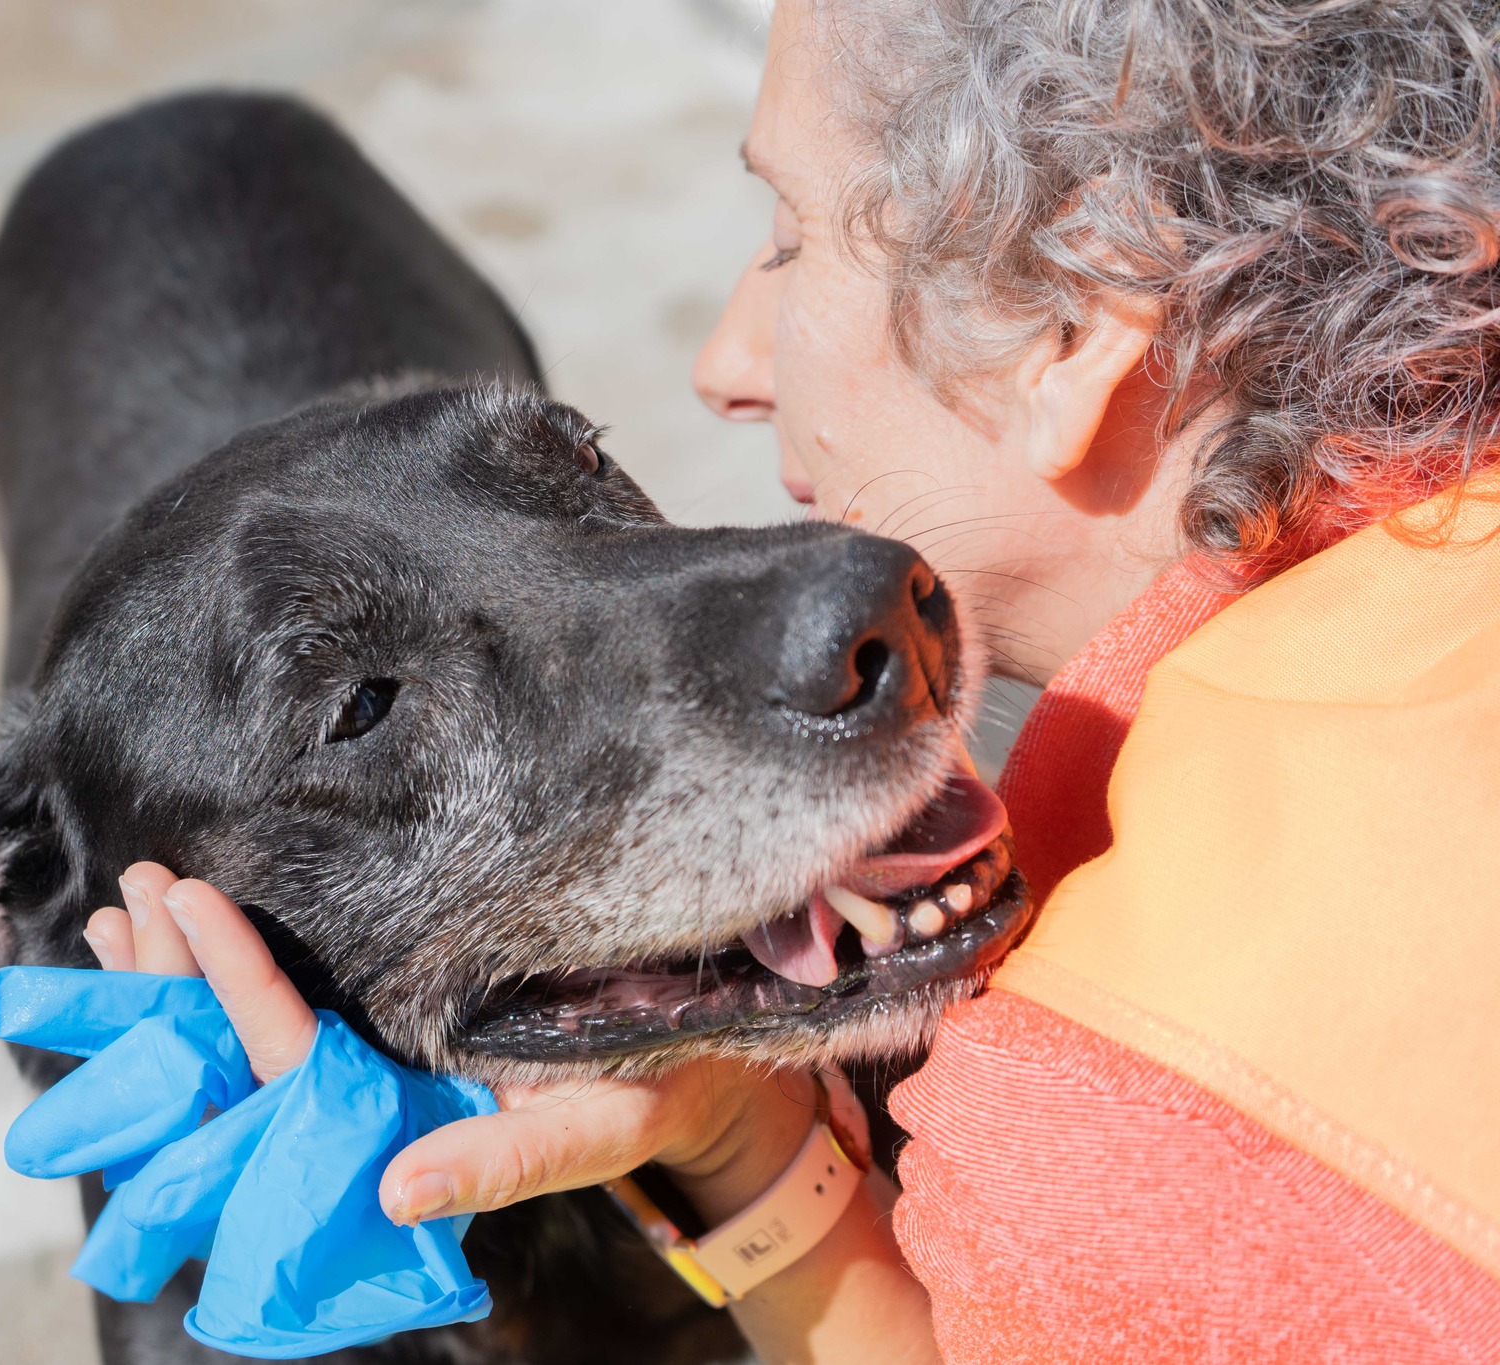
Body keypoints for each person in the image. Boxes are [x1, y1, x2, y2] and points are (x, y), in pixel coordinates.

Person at [78, 0, 1500, 1359]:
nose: (722, 367)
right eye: (366, 702)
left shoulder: (1119, 1136)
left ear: (1081, 323)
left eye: (791, 237)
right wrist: (729, 1123)